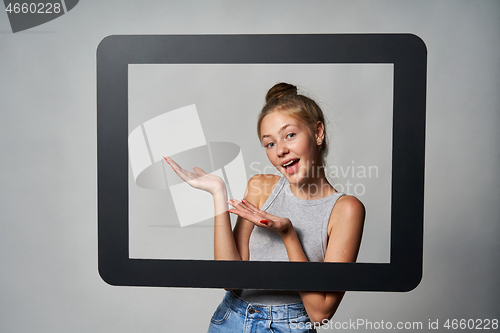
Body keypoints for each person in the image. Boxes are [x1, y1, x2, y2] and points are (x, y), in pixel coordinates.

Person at [164, 82, 365, 332]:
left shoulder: (345, 210)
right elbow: (229, 280)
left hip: (291, 326)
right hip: (232, 320)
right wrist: (218, 193)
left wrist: (289, 235)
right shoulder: (260, 187)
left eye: (290, 135)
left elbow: (319, 314)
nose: (280, 150)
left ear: (318, 132)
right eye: (269, 143)